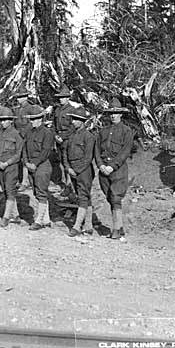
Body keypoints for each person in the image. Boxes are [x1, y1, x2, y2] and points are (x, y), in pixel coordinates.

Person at [95, 98, 134, 240]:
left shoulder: (126, 131)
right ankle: (120, 226)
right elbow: (97, 150)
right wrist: (101, 165)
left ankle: (116, 229)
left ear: (121, 114)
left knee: (116, 197)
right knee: (109, 198)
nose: (113, 115)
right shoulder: (103, 131)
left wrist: (112, 166)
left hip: (118, 170)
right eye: (111, 113)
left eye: (116, 113)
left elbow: (125, 151)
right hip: (104, 169)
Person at [0, 107, 24, 227]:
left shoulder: (16, 135)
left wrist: (7, 163)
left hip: (11, 167)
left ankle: (6, 217)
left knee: (10, 190)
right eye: (2, 120)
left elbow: (18, 153)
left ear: (11, 120)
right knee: (5, 190)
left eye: (6, 120)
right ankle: (15, 215)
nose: (3, 122)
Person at [23, 106, 54, 230]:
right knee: (36, 192)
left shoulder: (47, 133)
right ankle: (46, 219)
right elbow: (24, 149)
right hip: (31, 165)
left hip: (42, 165)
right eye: (31, 119)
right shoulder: (29, 132)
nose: (32, 122)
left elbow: (45, 151)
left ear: (41, 119)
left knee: (41, 192)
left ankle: (39, 220)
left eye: (35, 119)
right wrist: (26, 162)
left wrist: (34, 163)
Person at [66, 109, 96, 237]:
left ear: (82, 122)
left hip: (84, 171)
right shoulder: (72, 136)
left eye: (76, 119)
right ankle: (88, 226)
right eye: (73, 119)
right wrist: (68, 168)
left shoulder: (88, 136)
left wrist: (77, 170)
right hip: (72, 170)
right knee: (83, 197)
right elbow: (65, 154)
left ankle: (77, 226)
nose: (73, 122)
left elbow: (88, 157)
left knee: (83, 196)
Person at [53, 85, 77, 198]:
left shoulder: (72, 110)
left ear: (68, 98)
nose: (61, 99)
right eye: (60, 97)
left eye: (63, 97)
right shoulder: (57, 109)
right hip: (59, 139)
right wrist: (55, 136)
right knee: (62, 162)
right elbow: (54, 125)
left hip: (68, 139)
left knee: (68, 162)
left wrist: (64, 136)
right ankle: (67, 184)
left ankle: (69, 185)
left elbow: (73, 127)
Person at [13, 87, 32, 192]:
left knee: (25, 159)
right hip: (18, 138)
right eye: (18, 97)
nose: (18, 99)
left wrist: (23, 134)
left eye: (20, 97)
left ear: (25, 97)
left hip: (26, 137)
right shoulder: (17, 110)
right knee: (17, 159)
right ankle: (17, 180)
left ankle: (25, 181)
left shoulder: (30, 109)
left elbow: (31, 124)